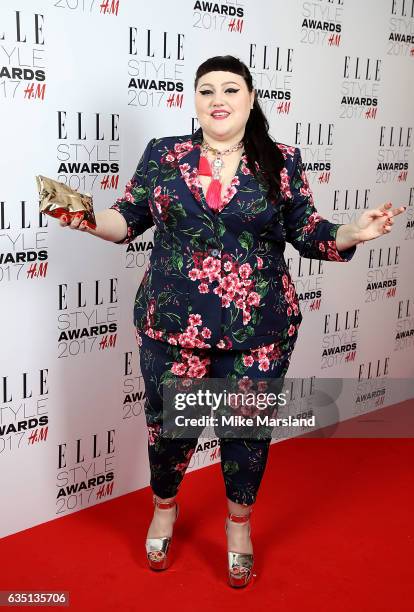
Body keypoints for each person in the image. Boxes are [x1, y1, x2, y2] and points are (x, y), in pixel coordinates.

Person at [59, 55, 406, 587]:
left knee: (246, 430)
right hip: (172, 323)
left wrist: (351, 232)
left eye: (230, 88)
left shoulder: (280, 159)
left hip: (259, 327)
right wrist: (82, 216)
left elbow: (309, 231)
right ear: (193, 101)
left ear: (250, 98)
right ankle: (165, 508)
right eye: (206, 90)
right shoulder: (164, 155)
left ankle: (238, 526)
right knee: (170, 428)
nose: (217, 99)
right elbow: (127, 218)